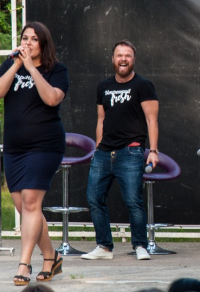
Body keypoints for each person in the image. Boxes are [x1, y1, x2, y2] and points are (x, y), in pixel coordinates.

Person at [0, 22, 69, 286]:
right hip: (15, 147)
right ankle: (51, 256)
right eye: (25, 38)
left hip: (45, 145)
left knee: (31, 202)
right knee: (24, 208)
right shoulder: (10, 64)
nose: (28, 43)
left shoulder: (56, 70)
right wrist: (16, 64)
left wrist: (32, 69)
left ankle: (23, 264)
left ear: (43, 43)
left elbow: (52, 99)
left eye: (34, 39)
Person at [82, 40, 159, 261]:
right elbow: (101, 120)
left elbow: (152, 120)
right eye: (119, 55)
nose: (123, 59)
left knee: (133, 201)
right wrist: (98, 148)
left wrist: (153, 150)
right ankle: (104, 247)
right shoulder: (103, 86)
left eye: (127, 55)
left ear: (133, 59)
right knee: (94, 199)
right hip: (104, 153)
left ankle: (140, 246)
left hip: (131, 151)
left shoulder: (143, 85)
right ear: (113, 59)